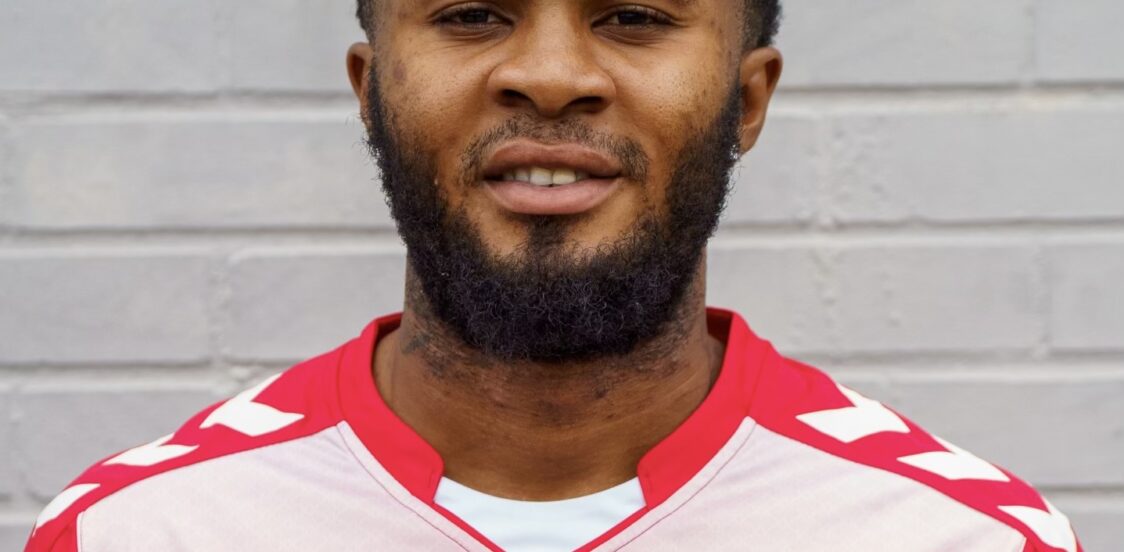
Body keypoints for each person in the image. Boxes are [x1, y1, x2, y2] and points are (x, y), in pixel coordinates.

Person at [26, 1, 1081, 550]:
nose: (550, 75)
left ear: (747, 100)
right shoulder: (140, 532)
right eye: (470, 12)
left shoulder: (958, 537)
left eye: (634, 15)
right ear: (370, 90)